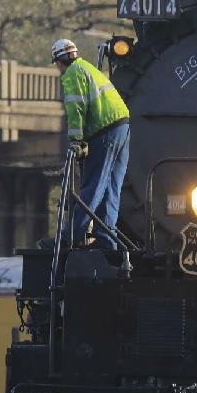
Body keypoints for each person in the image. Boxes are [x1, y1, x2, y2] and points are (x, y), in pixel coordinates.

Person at [50, 38, 131, 250]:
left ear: (59, 61)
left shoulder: (73, 74)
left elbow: (76, 108)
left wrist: (77, 141)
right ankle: (106, 239)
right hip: (123, 127)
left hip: (104, 130)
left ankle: (71, 235)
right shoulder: (88, 68)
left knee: (93, 186)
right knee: (112, 187)